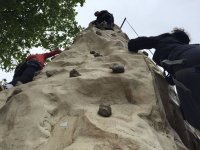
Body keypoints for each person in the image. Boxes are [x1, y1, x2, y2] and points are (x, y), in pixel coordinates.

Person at [128, 28, 200, 130]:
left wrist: (132, 44)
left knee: (193, 116)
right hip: (193, 63)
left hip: (186, 66)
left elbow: (145, 41)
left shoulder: (167, 38)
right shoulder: (190, 46)